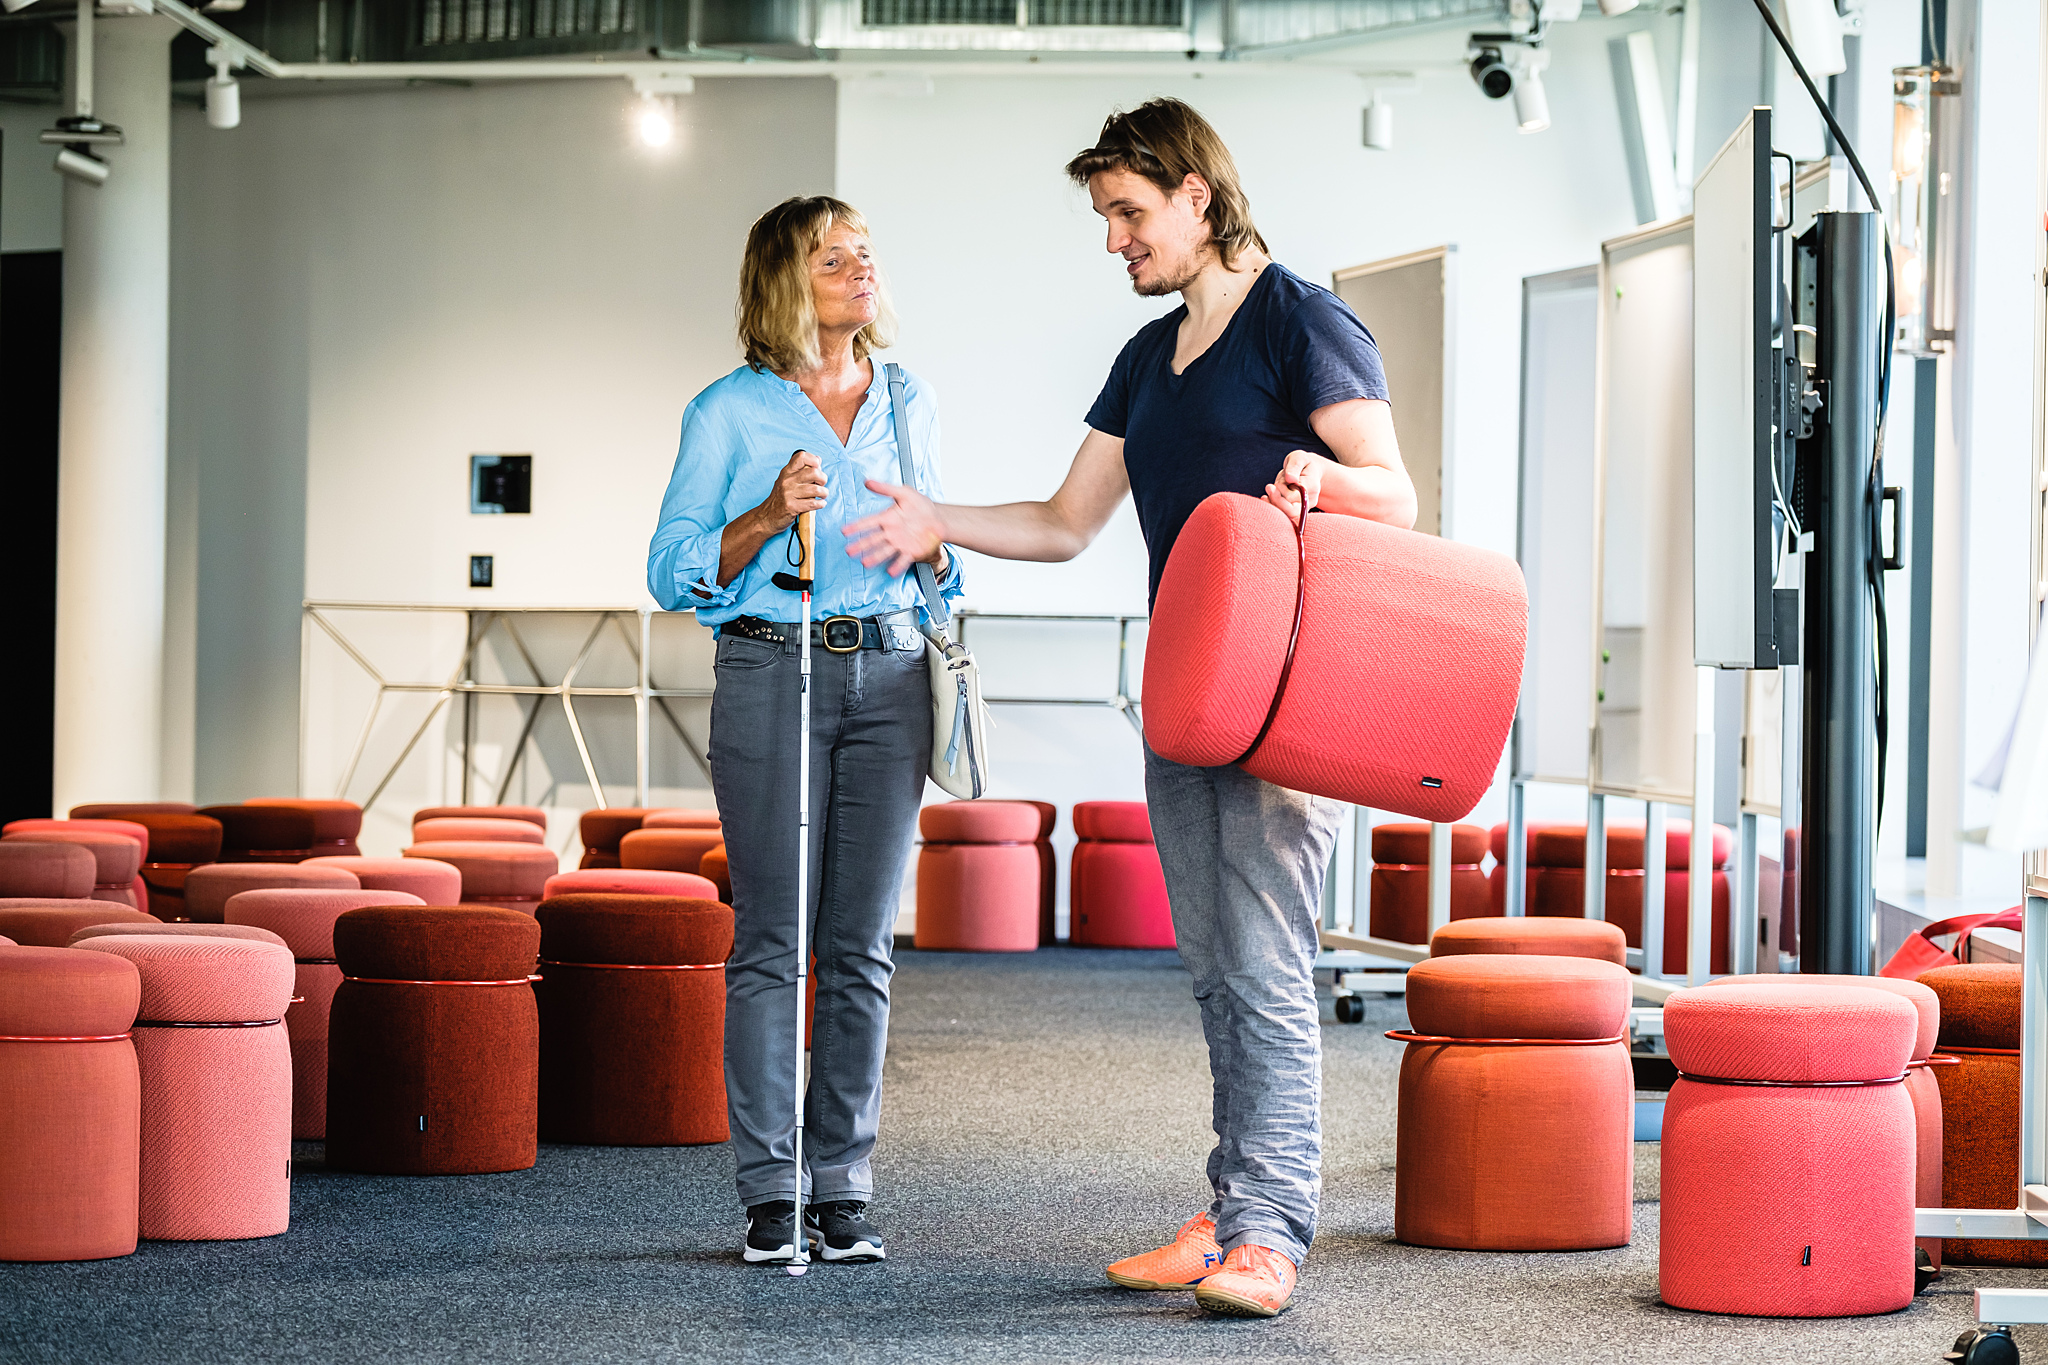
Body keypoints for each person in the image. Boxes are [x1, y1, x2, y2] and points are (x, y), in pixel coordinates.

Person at [843, 98, 1415, 1317]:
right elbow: (1063, 523)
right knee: (1211, 966)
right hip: (1186, 693)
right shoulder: (1149, 357)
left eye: (1128, 213)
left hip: (1282, 694)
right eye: (1105, 215)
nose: (1113, 239)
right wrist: (938, 521)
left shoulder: (1297, 321)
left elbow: (1396, 493)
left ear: (1197, 197)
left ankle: (1271, 1230)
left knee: (1264, 965)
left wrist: (1324, 475)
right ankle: (1232, 1204)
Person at [647, 195, 963, 1268]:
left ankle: (841, 1186)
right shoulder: (727, 412)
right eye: (835, 257)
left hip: (892, 671)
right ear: (786, 279)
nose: (860, 270)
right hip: (770, 670)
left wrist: (930, 549)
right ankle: (769, 1191)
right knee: (774, 945)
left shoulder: (907, 396)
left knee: (863, 947)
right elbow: (671, 568)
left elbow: (943, 555)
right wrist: (771, 515)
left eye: (866, 253)